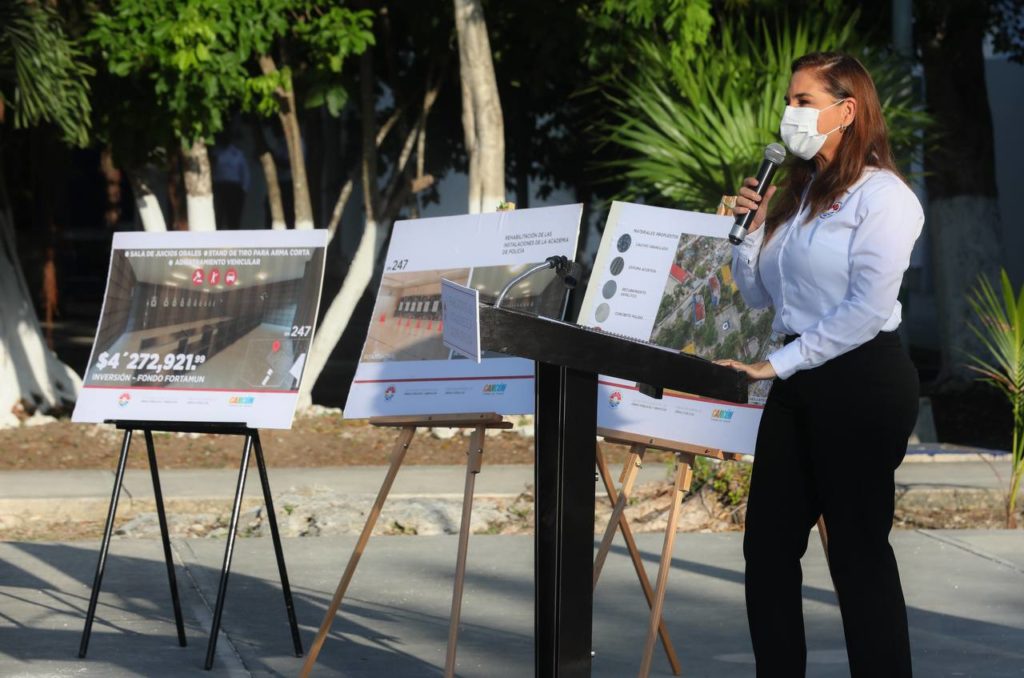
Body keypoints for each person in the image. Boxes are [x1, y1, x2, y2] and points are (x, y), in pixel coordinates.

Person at [718, 52, 924, 677]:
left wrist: (776, 365)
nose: (791, 113)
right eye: (790, 101)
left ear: (847, 110)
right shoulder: (800, 193)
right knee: (767, 549)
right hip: (797, 378)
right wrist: (751, 230)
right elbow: (759, 296)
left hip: (861, 380)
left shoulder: (885, 197)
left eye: (803, 101)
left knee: (857, 555)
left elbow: (867, 308)